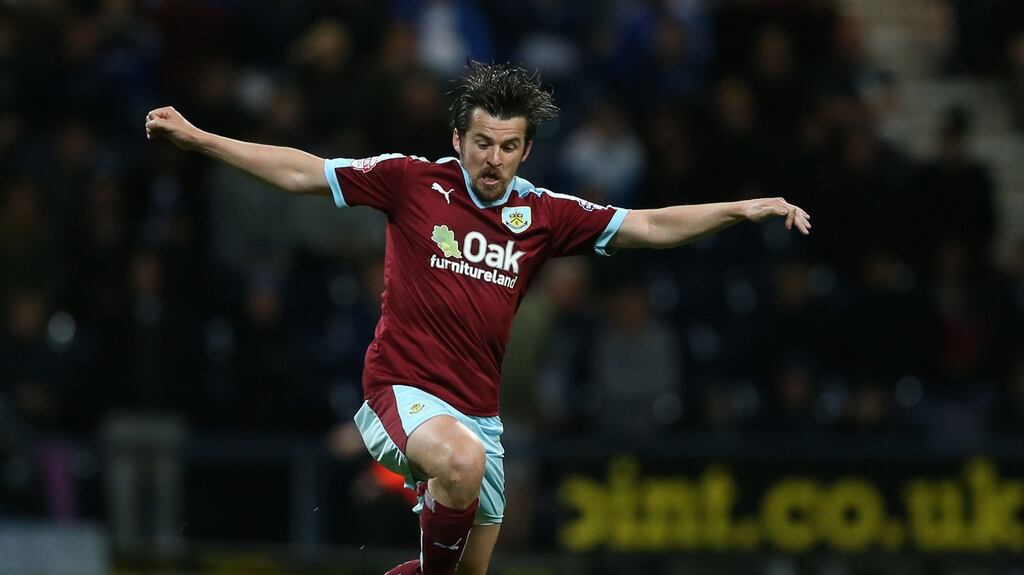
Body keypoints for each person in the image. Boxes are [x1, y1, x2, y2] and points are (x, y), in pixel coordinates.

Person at [145, 62, 810, 575]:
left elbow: (647, 225)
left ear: (525, 152)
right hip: (400, 390)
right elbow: (303, 173)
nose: (494, 158)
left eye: (510, 146)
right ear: (457, 139)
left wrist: (740, 208)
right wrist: (199, 138)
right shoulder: (411, 181)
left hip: (481, 416)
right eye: (483, 142)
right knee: (457, 463)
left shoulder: (544, 214)